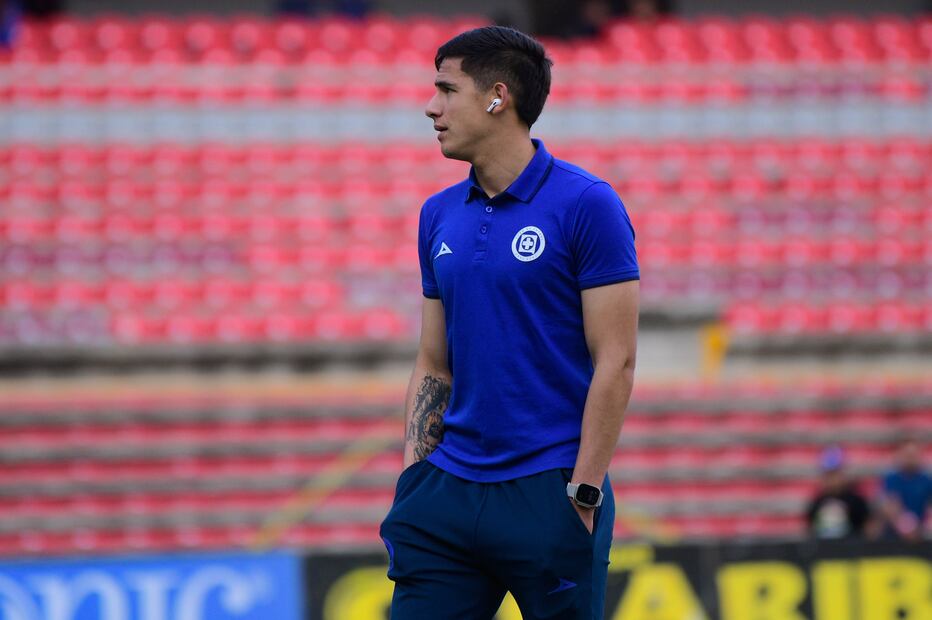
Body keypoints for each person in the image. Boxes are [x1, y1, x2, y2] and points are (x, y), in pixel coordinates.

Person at [378, 26, 639, 619]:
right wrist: (415, 479)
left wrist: (584, 492)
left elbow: (616, 360)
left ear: (498, 97)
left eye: (447, 89)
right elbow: (434, 360)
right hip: (446, 490)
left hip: (549, 491)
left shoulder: (587, 205)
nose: (431, 106)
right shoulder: (436, 214)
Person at [804, 446, 872, 539]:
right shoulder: (817, 502)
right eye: (828, 474)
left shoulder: (856, 501)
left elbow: (868, 531)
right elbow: (810, 531)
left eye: (835, 473)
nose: (832, 479)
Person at [877, 439, 930, 541]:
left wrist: (925, 527)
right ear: (900, 455)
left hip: (921, 534)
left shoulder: (927, 480)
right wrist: (907, 527)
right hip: (895, 534)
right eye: (907, 455)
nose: (910, 459)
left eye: (913, 455)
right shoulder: (891, 479)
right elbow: (890, 507)